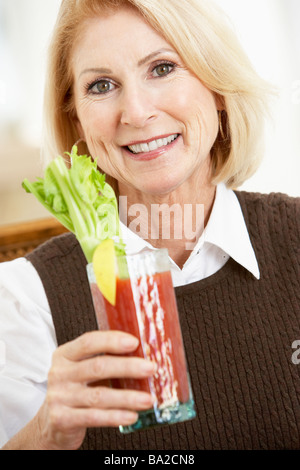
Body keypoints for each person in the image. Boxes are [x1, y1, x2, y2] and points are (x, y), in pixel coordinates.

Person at [0, 0, 299, 451]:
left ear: (217, 88)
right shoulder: (25, 300)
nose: (136, 113)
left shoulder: (293, 238)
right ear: (76, 118)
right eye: (101, 85)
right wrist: (44, 433)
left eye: (162, 68)